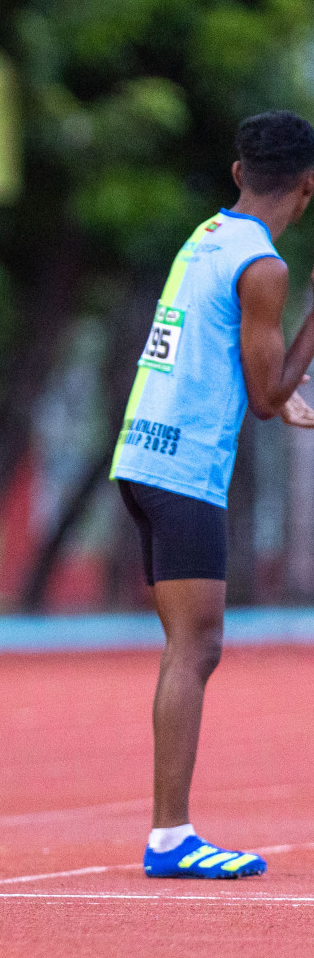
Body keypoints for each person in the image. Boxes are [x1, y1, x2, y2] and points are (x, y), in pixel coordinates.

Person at [110, 109, 314, 879]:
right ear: (308, 187)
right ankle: (170, 836)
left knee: (186, 648)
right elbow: (265, 393)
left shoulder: (208, 236)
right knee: (198, 649)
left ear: (237, 174)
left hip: (141, 451)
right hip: (185, 469)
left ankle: (171, 832)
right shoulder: (265, 265)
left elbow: (211, 345)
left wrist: (276, 389)